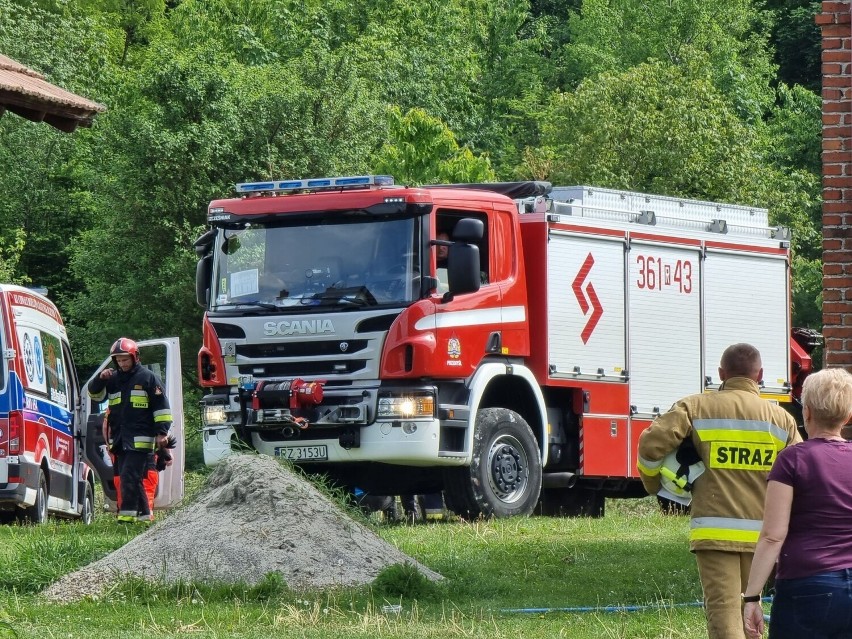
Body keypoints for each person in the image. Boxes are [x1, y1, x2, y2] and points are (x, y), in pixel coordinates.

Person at [637, 343, 801, 639]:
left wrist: (654, 485)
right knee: (752, 614)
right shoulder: (782, 420)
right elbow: (800, 475)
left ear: (721, 373)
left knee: (724, 614)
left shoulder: (694, 407)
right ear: (760, 375)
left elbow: (650, 446)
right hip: (764, 537)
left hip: (714, 533)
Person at [742, 368, 852, 639]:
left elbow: (772, 536)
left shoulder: (792, 460)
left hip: (807, 586)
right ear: (848, 416)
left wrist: (752, 597)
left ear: (807, 411)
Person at [88, 337, 172, 523]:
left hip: (141, 439)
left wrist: (162, 433)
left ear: (135, 357)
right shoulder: (113, 379)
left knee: (128, 477)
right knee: (134, 478)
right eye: (118, 360)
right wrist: (100, 379)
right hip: (119, 439)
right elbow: (95, 395)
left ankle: (126, 518)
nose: (122, 363)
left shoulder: (149, 378)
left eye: (125, 359)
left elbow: (162, 409)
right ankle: (143, 517)